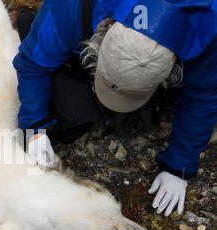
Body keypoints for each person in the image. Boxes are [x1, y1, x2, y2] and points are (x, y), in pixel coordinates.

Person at [14, 0, 217, 217]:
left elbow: (203, 97)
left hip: (189, 52)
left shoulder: (207, 30)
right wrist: (35, 127)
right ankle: (38, 30)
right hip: (77, 21)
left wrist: (179, 167)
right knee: (66, 111)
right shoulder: (71, 7)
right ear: (105, 29)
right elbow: (32, 64)